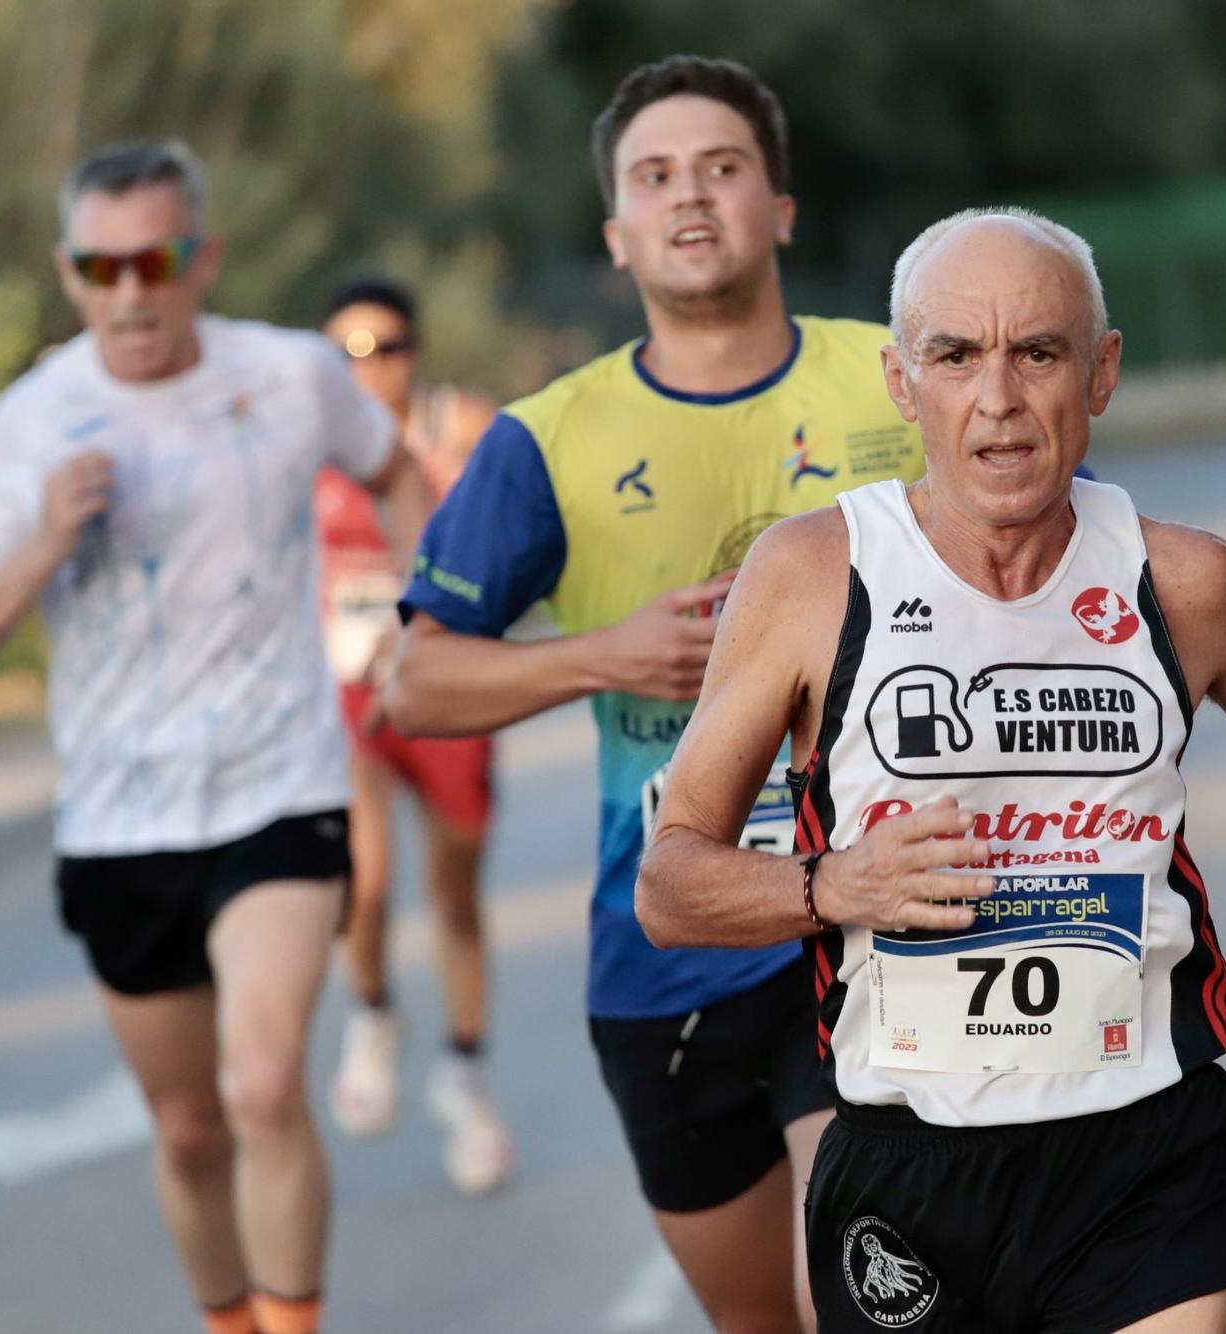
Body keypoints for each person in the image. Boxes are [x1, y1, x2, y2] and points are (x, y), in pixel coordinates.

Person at [634, 208, 1226, 1334]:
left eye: (1036, 351)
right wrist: (832, 885)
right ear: (901, 381)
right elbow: (669, 882)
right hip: (907, 1162)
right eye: (954, 354)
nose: (996, 395)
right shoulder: (811, 575)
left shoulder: (1182, 579)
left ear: (1101, 372)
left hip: (1150, 1144)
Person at [384, 55, 927, 1334]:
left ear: (780, 207)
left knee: (858, 1296)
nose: (691, 198)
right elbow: (414, 680)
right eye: (655, 177)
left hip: (870, 923)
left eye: (723, 168)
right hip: (665, 949)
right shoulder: (548, 438)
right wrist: (600, 654)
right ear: (616, 233)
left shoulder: (898, 380)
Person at [0, 140, 428, 1334]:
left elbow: (395, 471)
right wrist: (46, 537)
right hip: (120, 815)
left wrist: (424, 615)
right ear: (70, 273)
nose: (130, 292)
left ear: (199, 256)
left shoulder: (292, 373)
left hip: (278, 784)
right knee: (190, 1126)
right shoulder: (33, 418)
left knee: (260, 1087)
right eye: (102, 267)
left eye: (155, 259)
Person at [311, 275, 515, 1194]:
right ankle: (374, 1012)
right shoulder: (303, 445)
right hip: (345, 696)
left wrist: (483, 458)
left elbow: (515, 555)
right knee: (365, 877)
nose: (369, 367)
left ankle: (464, 1077)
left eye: (386, 347)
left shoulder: (458, 437)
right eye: (349, 352)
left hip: (445, 692)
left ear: (415, 354)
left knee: (456, 893)